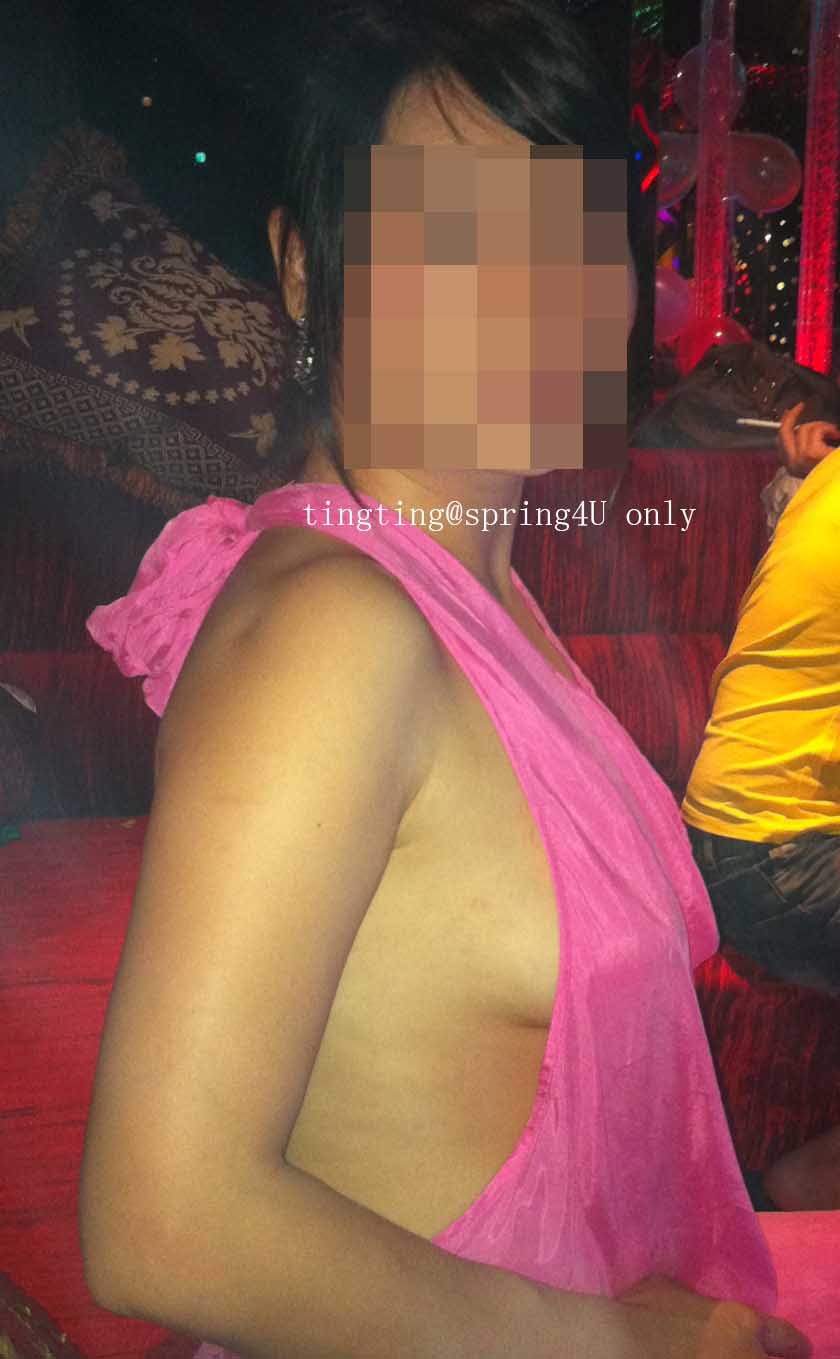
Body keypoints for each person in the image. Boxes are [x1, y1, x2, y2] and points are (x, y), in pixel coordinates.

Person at [78, 4, 818, 1356]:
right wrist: (636, 1345)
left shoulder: (469, 590)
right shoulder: (337, 629)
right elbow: (163, 1221)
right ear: (307, 267)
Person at [682, 396, 840, 1217]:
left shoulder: (821, 486)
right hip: (778, 853)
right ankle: (795, 1192)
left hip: (737, 835)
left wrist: (794, 476)